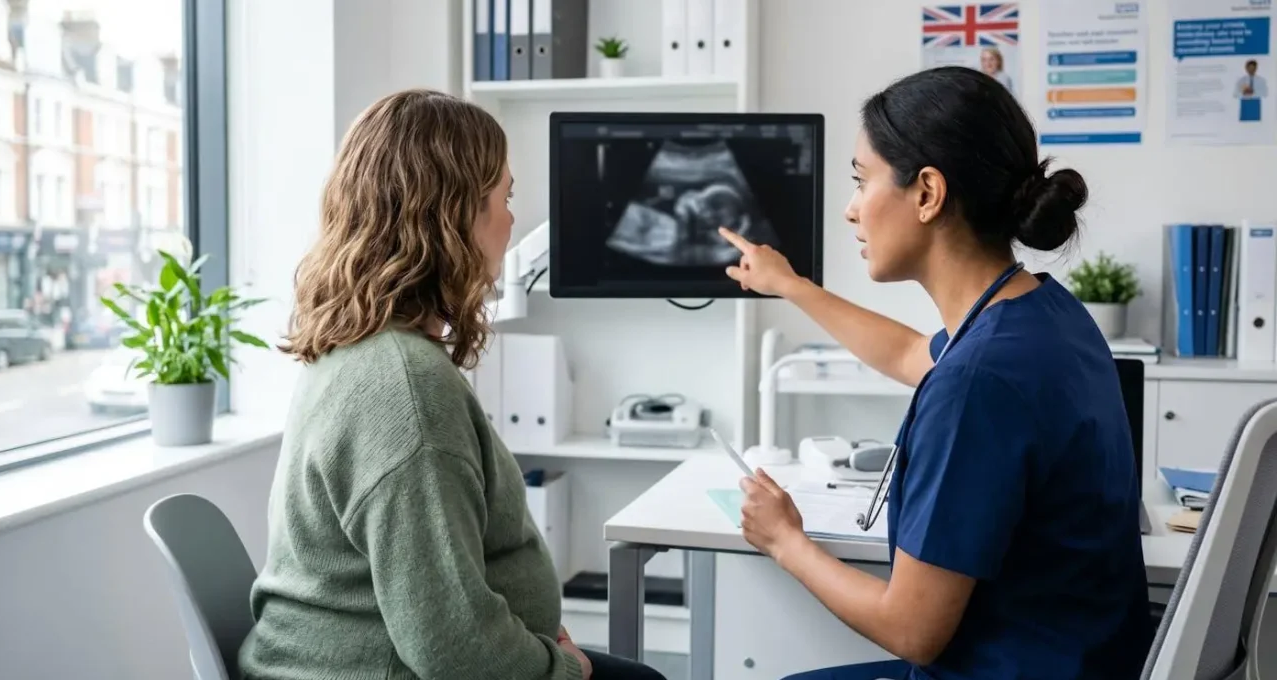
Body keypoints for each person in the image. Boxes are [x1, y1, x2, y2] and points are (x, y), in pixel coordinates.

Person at [716, 66, 1152, 680]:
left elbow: (911, 631)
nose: (850, 210)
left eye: (861, 180)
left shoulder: (978, 382)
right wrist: (790, 286)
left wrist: (785, 541)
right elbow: (909, 354)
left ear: (927, 193)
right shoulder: (1043, 314)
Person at [238, 89, 666, 680]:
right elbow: (452, 649)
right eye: (504, 198)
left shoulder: (358, 347)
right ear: (454, 216)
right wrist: (563, 669)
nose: (512, 222)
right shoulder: (406, 390)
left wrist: (539, 642)